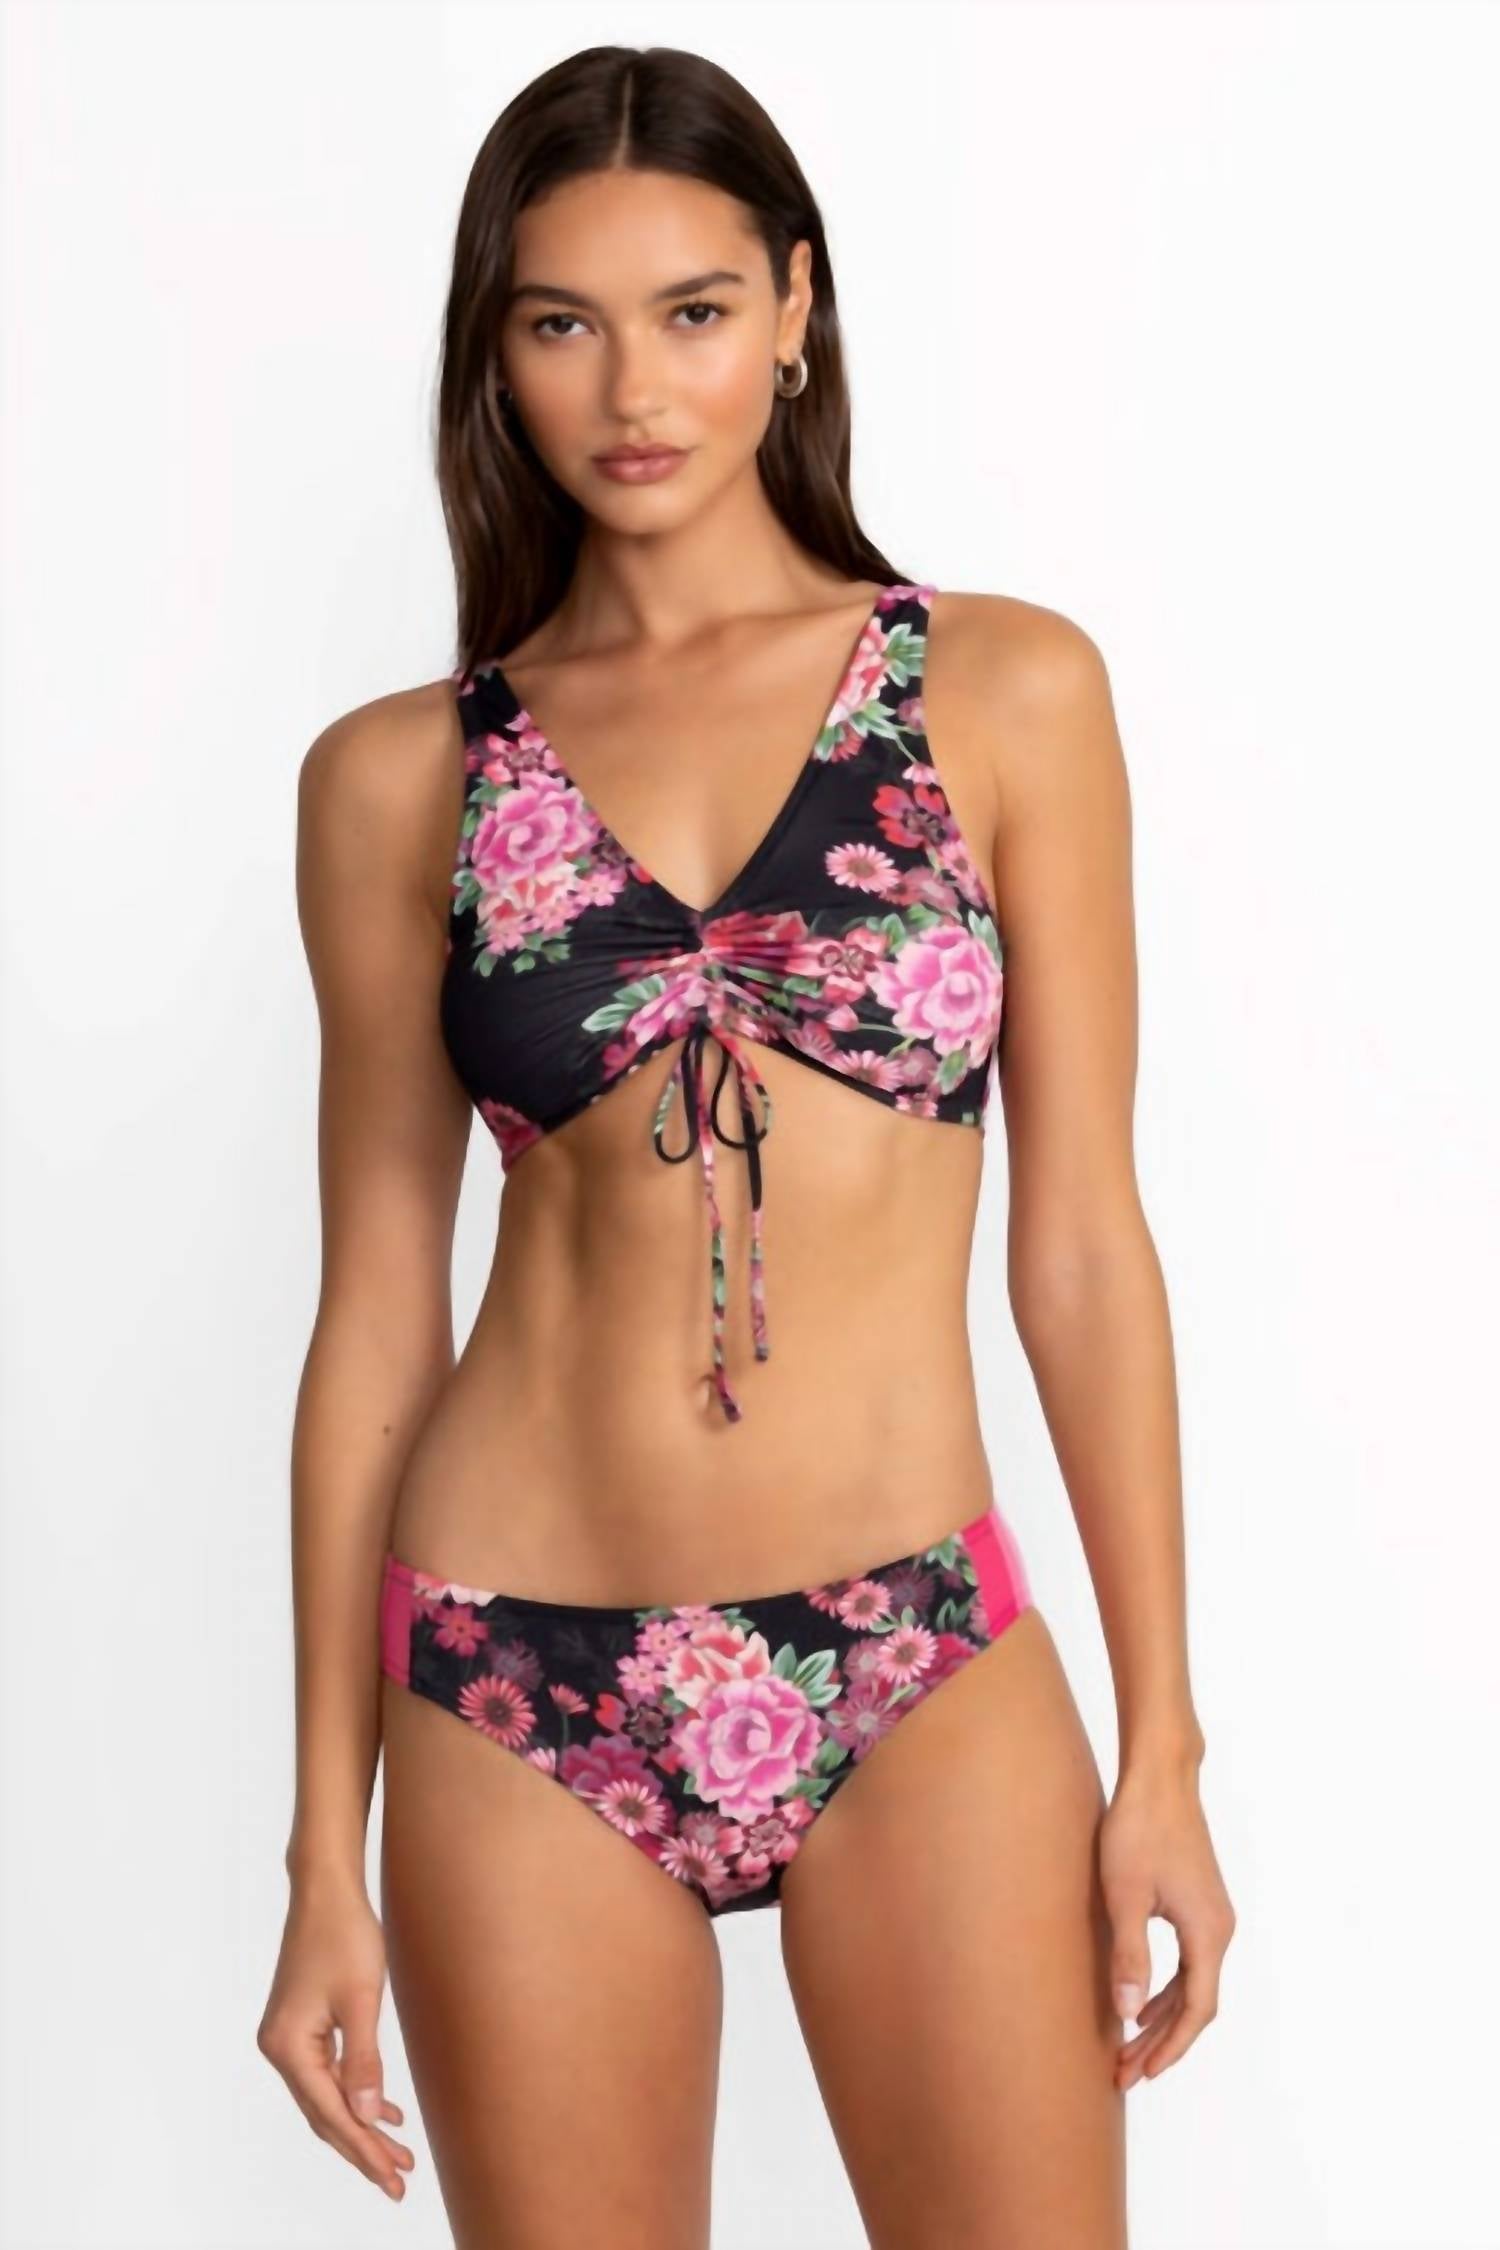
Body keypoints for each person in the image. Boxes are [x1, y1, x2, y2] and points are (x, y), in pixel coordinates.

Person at [256, 42, 1235, 2249]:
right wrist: (324, 1840)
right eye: (561, 321)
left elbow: (1085, 1245)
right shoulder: (399, 779)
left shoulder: (1002, 691)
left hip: (919, 1655)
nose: (634, 387)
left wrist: (1163, 1740)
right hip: (514, 1678)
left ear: (796, 306)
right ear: (493, 349)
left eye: (693, 310)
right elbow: (375, 1318)